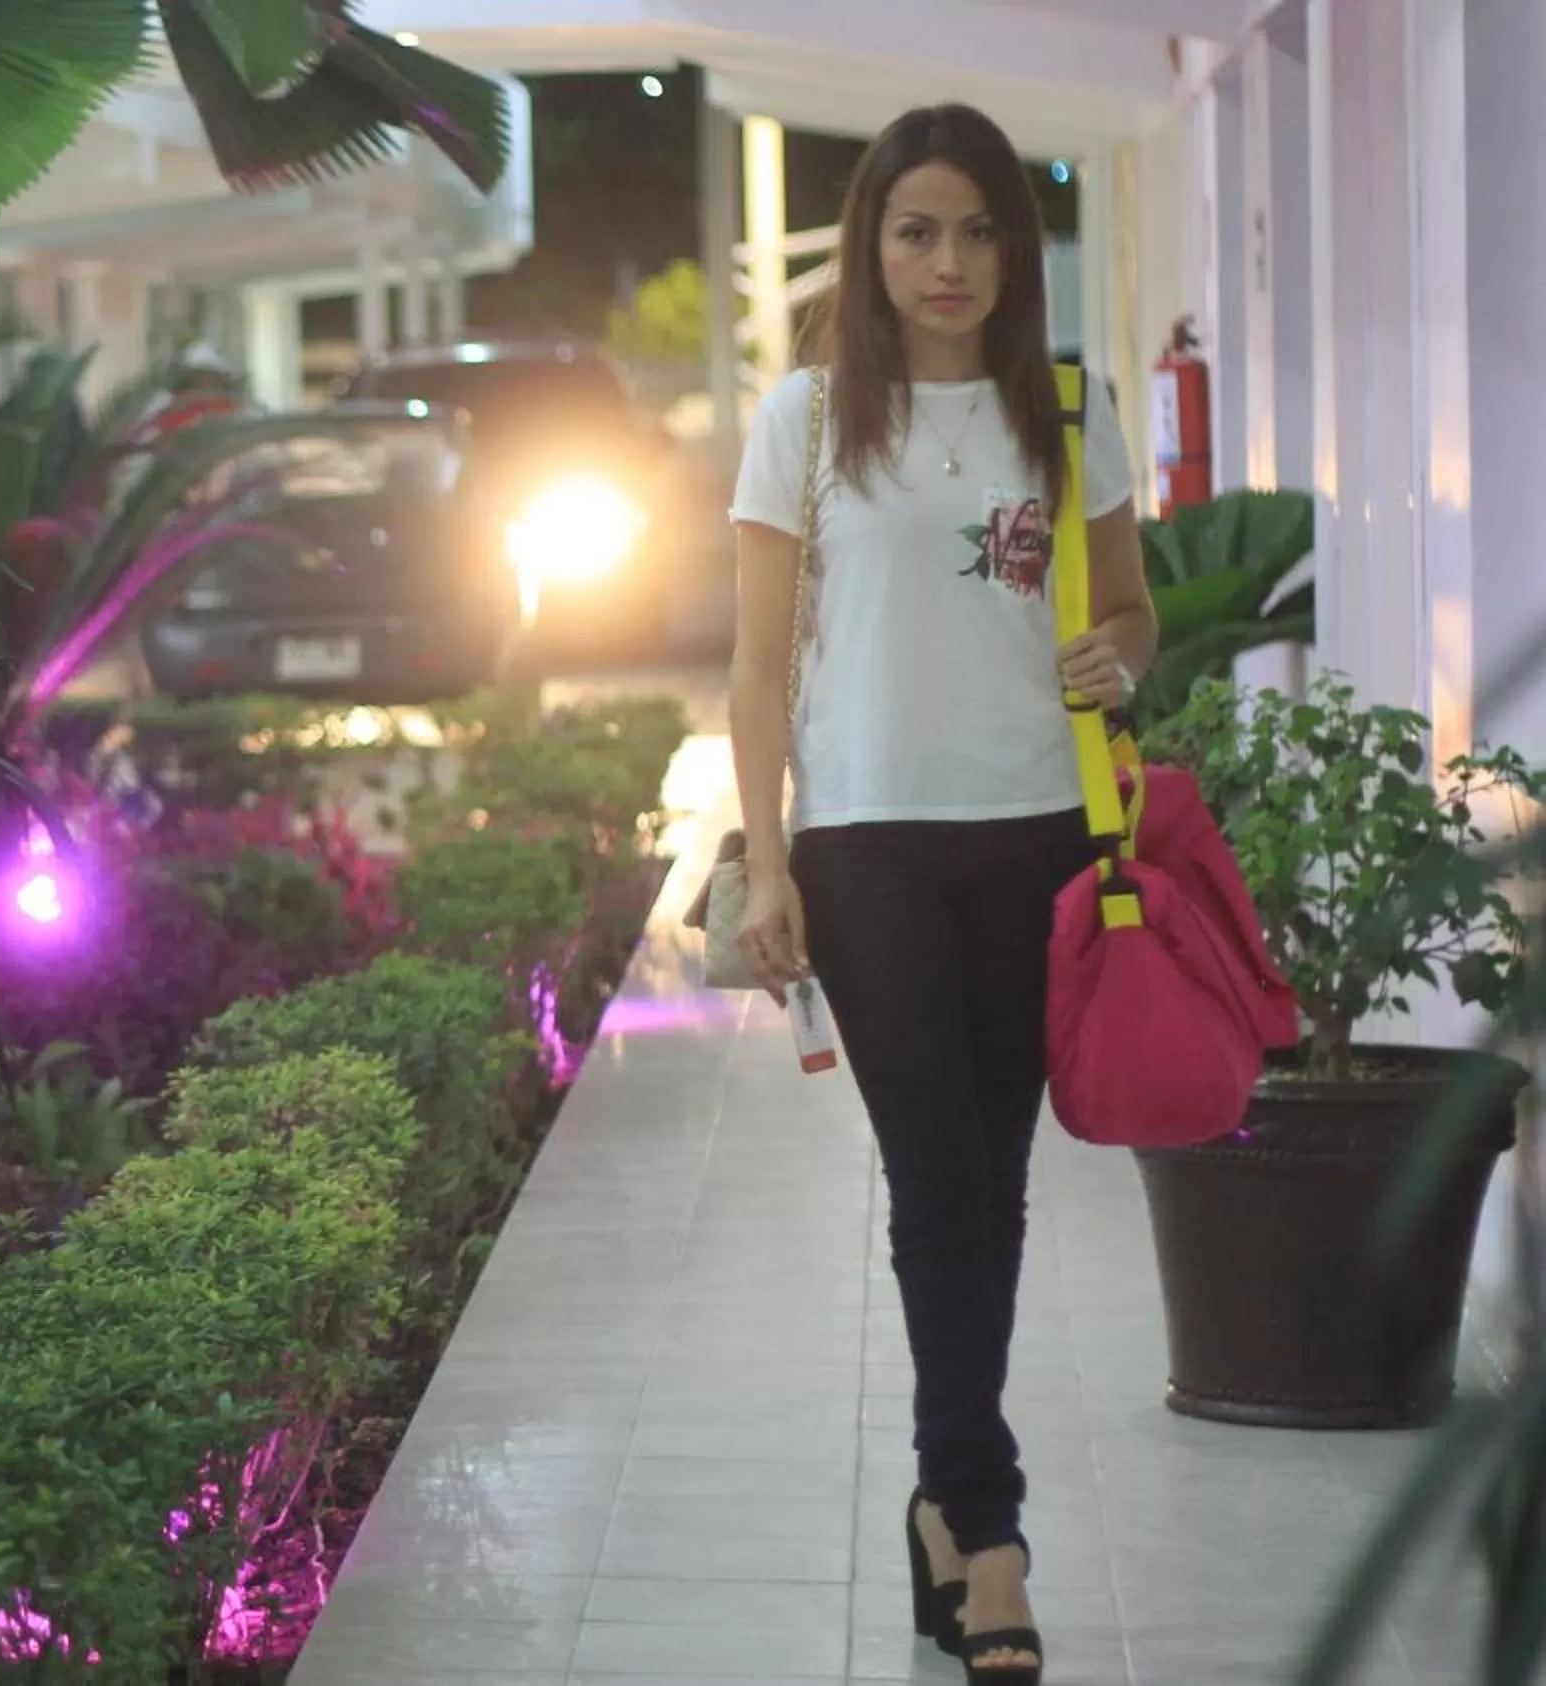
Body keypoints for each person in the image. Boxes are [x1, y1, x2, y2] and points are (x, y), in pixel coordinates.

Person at [725, 104, 1153, 1686]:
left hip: (1038, 831)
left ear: (1011, 249)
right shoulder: (809, 416)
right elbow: (759, 664)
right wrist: (767, 853)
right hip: (867, 843)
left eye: (978, 231)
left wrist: (1121, 653)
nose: (949, 262)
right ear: (872, 245)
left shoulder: (1065, 402)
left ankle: (941, 1503)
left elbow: (1133, 616)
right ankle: (992, 1530)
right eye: (916, 231)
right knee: (939, 1179)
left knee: (995, 1180)